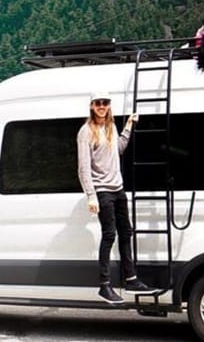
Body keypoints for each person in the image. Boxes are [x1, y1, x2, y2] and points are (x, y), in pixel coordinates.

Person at [76, 92, 158, 304]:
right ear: (92, 106)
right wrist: (91, 197)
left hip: (118, 189)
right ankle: (104, 286)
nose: (102, 106)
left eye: (105, 103)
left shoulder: (110, 127)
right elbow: (83, 168)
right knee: (109, 235)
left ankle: (130, 278)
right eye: (98, 103)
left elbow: (118, 150)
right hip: (102, 191)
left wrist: (128, 126)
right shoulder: (86, 132)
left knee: (126, 232)